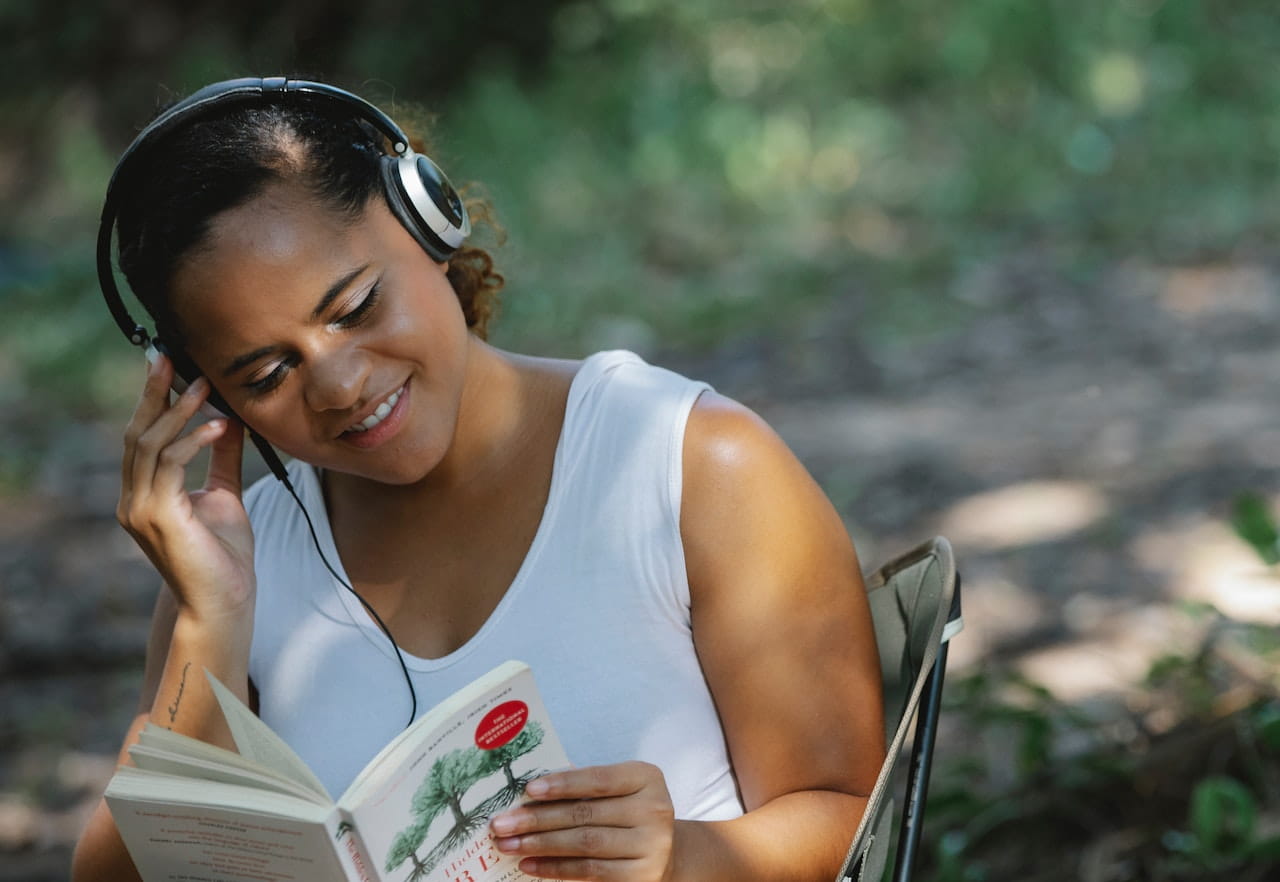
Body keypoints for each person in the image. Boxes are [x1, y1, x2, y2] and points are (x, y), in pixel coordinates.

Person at [71, 78, 885, 882]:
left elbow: (851, 815)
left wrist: (688, 860)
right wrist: (210, 623)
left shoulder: (694, 467)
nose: (340, 385)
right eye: (266, 374)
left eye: (354, 308)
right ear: (200, 394)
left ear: (428, 218)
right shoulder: (240, 567)